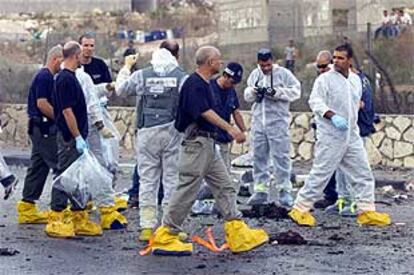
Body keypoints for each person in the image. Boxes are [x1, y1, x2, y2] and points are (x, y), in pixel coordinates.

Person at [148, 46, 268, 256]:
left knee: (225, 185)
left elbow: (227, 110)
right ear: (210, 62)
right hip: (197, 145)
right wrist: (231, 129)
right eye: (218, 60)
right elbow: (204, 112)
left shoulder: (204, 84)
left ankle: (237, 230)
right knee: (187, 189)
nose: (220, 64)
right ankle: (166, 234)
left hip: (209, 146)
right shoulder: (195, 84)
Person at [288, 44, 391, 227]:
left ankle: (367, 211)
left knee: (363, 173)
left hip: (351, 135)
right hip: (331, 136)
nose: (336, 61)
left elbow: (355, 104)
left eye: (340, 58)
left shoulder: (355, 80)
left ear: (349, 60)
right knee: (321, 174)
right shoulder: (325, 80)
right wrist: (332, 116)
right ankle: (300, 209)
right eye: (334, 57)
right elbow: (315, 102)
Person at [115, 40, 187, 241]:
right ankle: (169, 226)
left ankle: (147, 227)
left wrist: (126, 67)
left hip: (147, 132)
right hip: (172, 132)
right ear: (176, 56)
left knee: (148, 180)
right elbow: (191, 101)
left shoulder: (142, 75)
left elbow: (120, 90)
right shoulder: (181, 77)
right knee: (172, 180)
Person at [45, 41, 102, 238]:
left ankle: (79, 216)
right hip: (69, 137)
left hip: (77, 135)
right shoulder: (64, 80)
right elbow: (67, 112)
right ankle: (56, 216)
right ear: (75, 55)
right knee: (65, 175)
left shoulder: (71, 77)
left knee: (79, 178)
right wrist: (77, 136)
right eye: (81, 54)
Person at [244, 48, 301, 207]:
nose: (266, 68)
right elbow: (247, 95)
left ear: (272, 61)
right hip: (259, 123)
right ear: (259, 63)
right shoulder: (255, 75)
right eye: (263, 65)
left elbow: (296, 92)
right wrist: (254, 91)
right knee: (258, 157)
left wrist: (276, 92)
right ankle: (260, 190)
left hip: (278, 123)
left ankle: (284, 191)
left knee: (281, 158)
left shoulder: (283, 74)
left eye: (268, 65)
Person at [75, 66, 128, 230]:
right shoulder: (79, 77)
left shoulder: (69, 76)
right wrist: (100, 125)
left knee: (87, 168)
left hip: (79, 128)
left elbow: (92, 93)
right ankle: (103, 210)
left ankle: (82, 207)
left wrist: (107, 87)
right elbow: (91, 103)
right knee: (98, 166)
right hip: (85, 128)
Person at [192, 62, 247, 215]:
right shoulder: (208, 87)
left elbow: (235, 111)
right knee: (202, 176)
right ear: (225, 75)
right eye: (232, 81)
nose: (233, 85)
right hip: (208, 138)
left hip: (223, 140)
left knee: (224, 178)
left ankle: (222, 207)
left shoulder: (231, 91)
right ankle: (196, 203)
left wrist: (243, 130)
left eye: (236, 83)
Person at [79, 33, 126, 210]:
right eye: (86, 45)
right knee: (84, 159)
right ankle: (84, 197)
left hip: (100, 114)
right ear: (79, 46)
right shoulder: (76, 70)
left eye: (92, 45)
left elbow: (107, 91)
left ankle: (105, 194)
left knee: (108, 157)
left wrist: (109, 88)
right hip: (83, 118)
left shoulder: (99, 65)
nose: (89, 49)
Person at [16, 45, 63, 224]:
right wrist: (60, 119)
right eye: (62, 61)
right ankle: (58, 210)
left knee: (39, 165)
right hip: (43, 128)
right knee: (59, 166)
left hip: (38, 127)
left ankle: (27, 206)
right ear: (55, 59)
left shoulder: (46, 76)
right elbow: (42, 104)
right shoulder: (45, 77)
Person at [324, 65, 377, 217]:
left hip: (357, 129)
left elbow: (359, 104)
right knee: (341, 166)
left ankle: (355, 202)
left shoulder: (357, 81)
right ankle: (343, 200)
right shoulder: (358, 80)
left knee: (355, 169)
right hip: (349, 130)